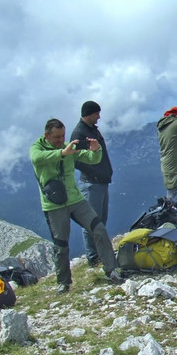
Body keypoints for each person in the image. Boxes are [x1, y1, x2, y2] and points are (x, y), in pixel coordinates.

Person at [30, 118, 124, 294]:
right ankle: (63, 283)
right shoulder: (38, 148)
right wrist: (62, 153)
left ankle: (112, 270)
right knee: (61, 245)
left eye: (63, 136)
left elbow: (91, 158)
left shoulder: (68, 148)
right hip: (54, 205)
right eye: (57, 137)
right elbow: (37, 159)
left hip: (76, 199)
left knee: (98, 229)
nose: (60, 140)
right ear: (46, 136)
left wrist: (97, 150)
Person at [71, 101, 114, 267]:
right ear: (89, 114)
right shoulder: (80, 132)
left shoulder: (91, 129)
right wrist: (94, 172)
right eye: (97, 114)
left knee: (101, 220)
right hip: (92, 183)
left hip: (101, 181)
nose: (99, 117)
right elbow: (76, 159)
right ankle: (93, 256)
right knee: (92, 221)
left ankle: (101, 252)